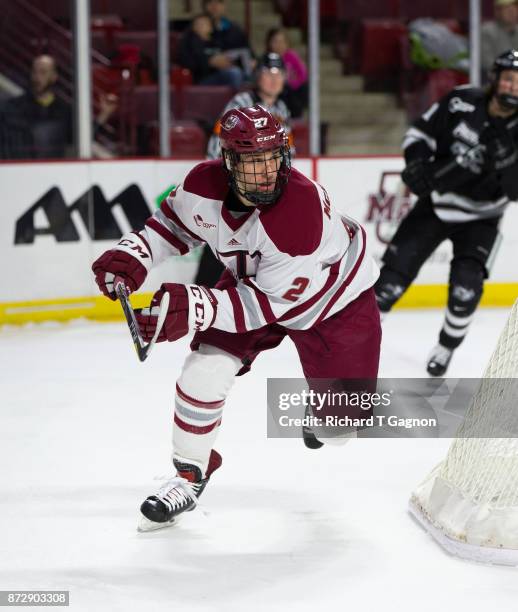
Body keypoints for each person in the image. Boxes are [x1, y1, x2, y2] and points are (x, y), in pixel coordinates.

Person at [91, 105, 381, 530]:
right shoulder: (201, 185)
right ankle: (189, 476)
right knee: (205, 367)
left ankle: (324, 417)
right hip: (259, 284)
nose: (264, 171)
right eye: (250, 160)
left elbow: (268, 307)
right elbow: (170, 227)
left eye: (271, 158)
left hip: (336, 303)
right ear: (227, 161)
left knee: (341, 426)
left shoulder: (297, 215)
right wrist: (134, 253)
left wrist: (194, 306)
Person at [375, 50, 518, 376]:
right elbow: (419, 133)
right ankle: (358, 345)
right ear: (495, 78)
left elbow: (515, 192)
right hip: (436, 205)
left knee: (466, 291)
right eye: (508, 78)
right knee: (388, 283)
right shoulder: (462, 101)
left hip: (482, 218)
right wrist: (416, 164)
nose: (513, 87)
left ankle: (446, 347)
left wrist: (508, 161)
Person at [198, 52, 292, 286]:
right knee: (222, 246)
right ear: (257, 76)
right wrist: (228, 185)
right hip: (236, 189)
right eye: (268, 74)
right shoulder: (241, 103)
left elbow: (286, 152)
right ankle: (203, 298)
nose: (273, 79)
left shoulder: (282, 108)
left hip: (265, 190)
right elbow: (217, 145)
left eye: (278, 74)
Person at [0, 55, 118, 159]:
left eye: (43, 72)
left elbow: (81, 137)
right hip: (19, 173)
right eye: (34, 72)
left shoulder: (64, 111)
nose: (37, 77)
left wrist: (104, 114)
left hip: (52, 174)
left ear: (54, 76)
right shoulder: (13, 107)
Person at [178, 13, 244, 88]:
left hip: (223, 73)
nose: (200, 26)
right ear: (193, 27)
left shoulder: (218, 42)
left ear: (211, 27)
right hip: (202, 79)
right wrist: (209, 62)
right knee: (234, 73)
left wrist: (227, 62)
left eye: (204, 24)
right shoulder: (189, 43)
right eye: (198, 24)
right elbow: (188, 64)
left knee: (244, 72)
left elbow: (229, 56)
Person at [266, 27, 308, 118]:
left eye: (282, 42)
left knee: (303, 88)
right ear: (269, 43)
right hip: (276, 90)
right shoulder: (267, 59)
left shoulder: (292, 56)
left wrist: (292, 83)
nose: (279, 45)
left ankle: (296, 115)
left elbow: (303, 75)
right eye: (275, 42)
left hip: (292, 89)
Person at [481, 0, 518, 79]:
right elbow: (488, 64)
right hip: (495, 82)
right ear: (497, 11)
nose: (512, 11)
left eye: (515, 7)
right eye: (507, 7)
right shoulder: (486, 31)